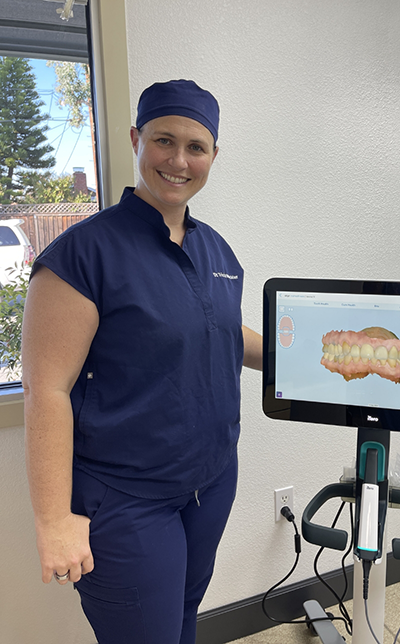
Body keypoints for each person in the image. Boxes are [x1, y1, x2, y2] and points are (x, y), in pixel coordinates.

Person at [22, 79, 263, 644]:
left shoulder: (216, 249)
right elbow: (46, 390)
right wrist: (54, 520)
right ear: (136, 139)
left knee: (180, 621)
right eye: (163, 140)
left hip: (209, 482)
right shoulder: (81, 256)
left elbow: (222, 332)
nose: (178, 161)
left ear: (213, 156)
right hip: (127, 500)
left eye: (196, 147)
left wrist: (310, 359)